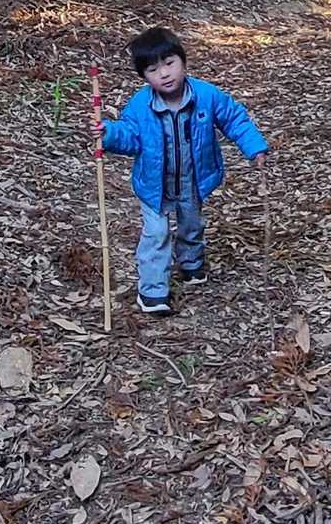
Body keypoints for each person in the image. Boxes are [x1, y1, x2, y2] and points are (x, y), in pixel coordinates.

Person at [101, 26, 268, 313]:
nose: (164, 74)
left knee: (191, 223)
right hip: (154, 184)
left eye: (169, 63)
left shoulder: (206, 95)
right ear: (144, 77)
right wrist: (108, 134)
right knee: (156, 233)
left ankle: (191, 263)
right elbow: (130, 136)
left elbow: (234, 119)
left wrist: (254, 147)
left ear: (183, 61)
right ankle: (153, 292)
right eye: (153, 70)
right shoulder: (140, 106)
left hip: (193, 177)